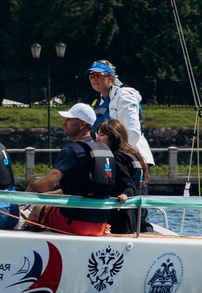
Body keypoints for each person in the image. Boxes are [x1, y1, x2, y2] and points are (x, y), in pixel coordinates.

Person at [32, 104, 115, 236]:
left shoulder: (72, 150)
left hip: (75, 223)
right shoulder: (105, 150)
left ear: (82, 124)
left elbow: (48, 184)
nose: (64, 123)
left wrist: (32, 186)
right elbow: (82, 188)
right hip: (101, 224)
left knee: (37, 209)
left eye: (69, 119)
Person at [85, 61, 153, 172]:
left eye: (99, 75)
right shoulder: (97, 102)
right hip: (112, 159)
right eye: (91, 76)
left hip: (131, 160)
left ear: (110, 77)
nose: (94, 79)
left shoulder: (124, 96)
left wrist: (119, 155)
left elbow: (133, 133)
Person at [97, 116, 150, 235]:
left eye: (102, 135)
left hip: (120, 219)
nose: (97, 139)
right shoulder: (132, 155)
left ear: (113, 137)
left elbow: (128, 184)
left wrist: (125, 194)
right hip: (133, 219)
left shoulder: (117, 157)